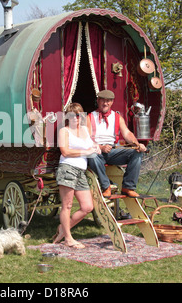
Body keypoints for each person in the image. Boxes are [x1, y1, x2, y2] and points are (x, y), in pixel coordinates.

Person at [52, 103, 101, 249]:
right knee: (67, 205)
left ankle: (62, 229)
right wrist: (86, 152)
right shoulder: (64, 131)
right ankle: (68, 238)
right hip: (68, 168)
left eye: (78, 115)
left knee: (87, 207)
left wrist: (96, 147)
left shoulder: (85, 130)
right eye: (72, 116)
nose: (76, 119)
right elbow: (65, 152)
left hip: (81, 171)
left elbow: (91, 144)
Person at [87, 89, 147, 199]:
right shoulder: (89, 117)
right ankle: (106, 186)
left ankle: (128, 187)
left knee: (136, 153)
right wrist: (100, 147)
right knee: (92, 155)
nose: (105, 103)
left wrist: (137, 145)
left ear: (112, 102)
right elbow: (85, 138)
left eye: (108, 101)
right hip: (96, 150)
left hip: (113, 151)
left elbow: (127, 133)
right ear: (98, 100)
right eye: (103, 100)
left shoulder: (117, 117)